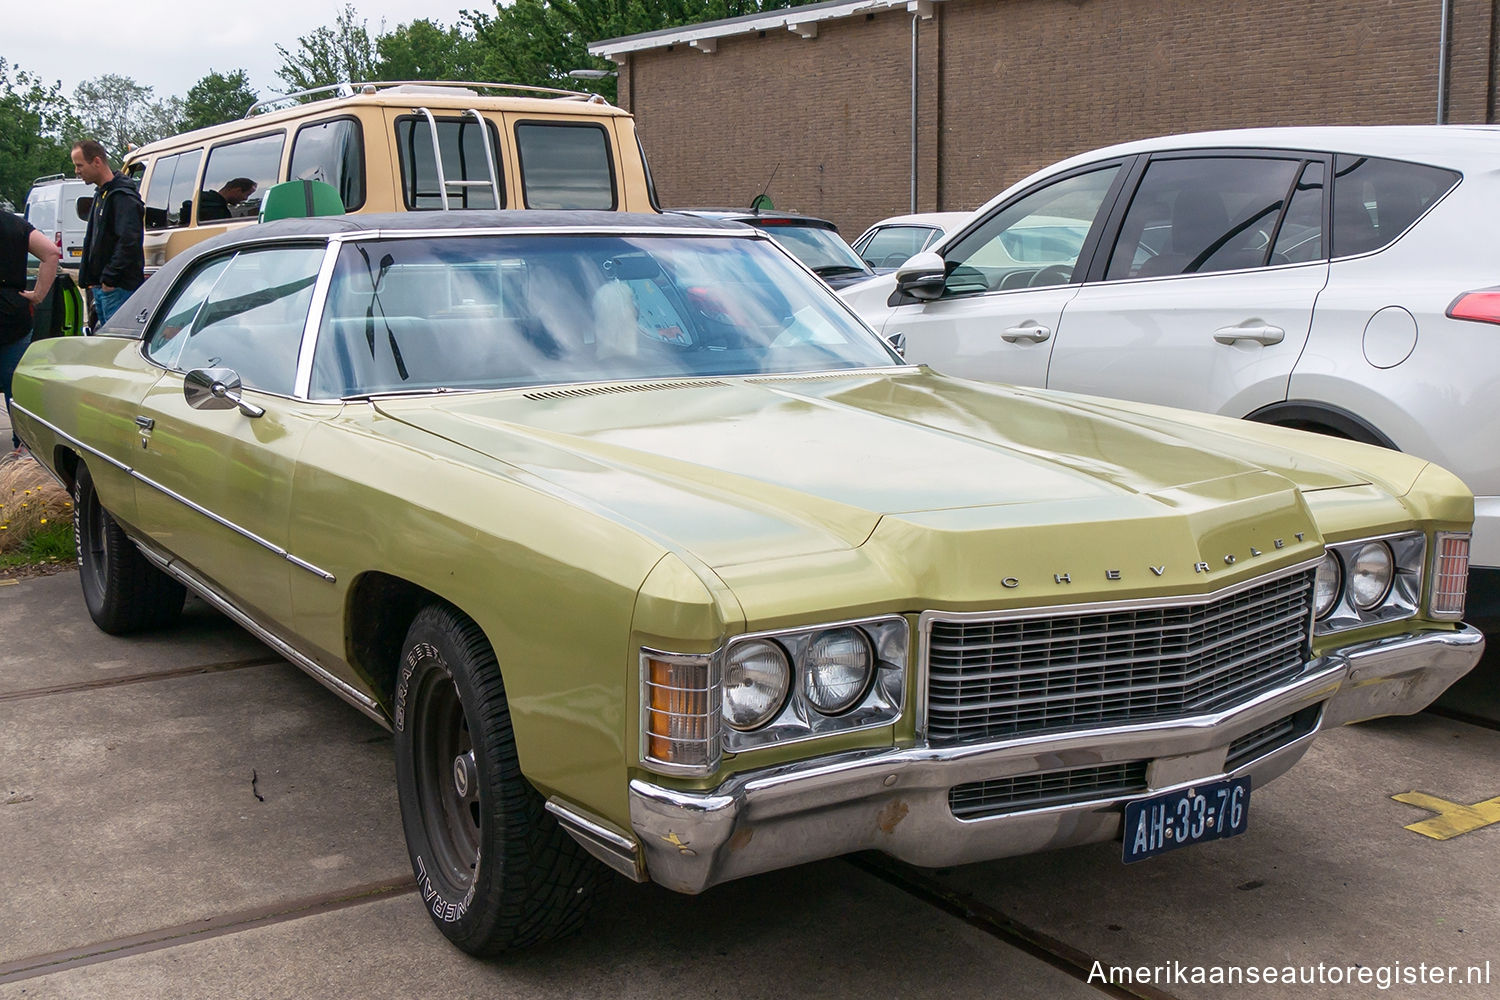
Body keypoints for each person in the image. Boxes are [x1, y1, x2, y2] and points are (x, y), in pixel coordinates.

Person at [1, 213, 60, 454]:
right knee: (16, 384)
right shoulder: (13, 224)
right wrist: (38, 295)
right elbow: (51, 253)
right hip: (11, 314)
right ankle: (24, 447)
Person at [70, 139, 144, 327]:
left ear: (97, 161)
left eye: (79, 165)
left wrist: (110, 279)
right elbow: (93, 240)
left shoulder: (122, 196)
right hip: (102, 288)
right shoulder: (101, 195)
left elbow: (129, 241)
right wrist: (91, 278)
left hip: (118, 289)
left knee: (118, 342)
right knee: (104, 341)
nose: (77, 171)